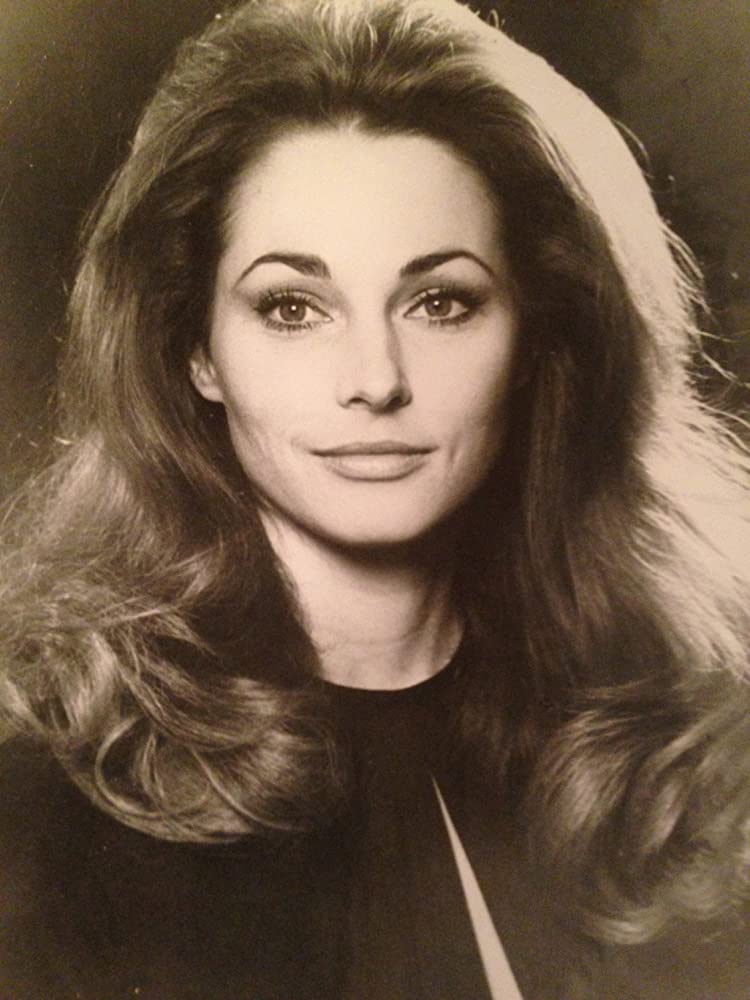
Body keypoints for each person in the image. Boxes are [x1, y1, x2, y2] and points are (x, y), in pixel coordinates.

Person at [1, 0, 749, 997]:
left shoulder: (687, 756)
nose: (375, 379)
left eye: (441, 302)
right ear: (194, 349)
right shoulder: (40, 802)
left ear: (538, 337)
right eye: (292, 307)